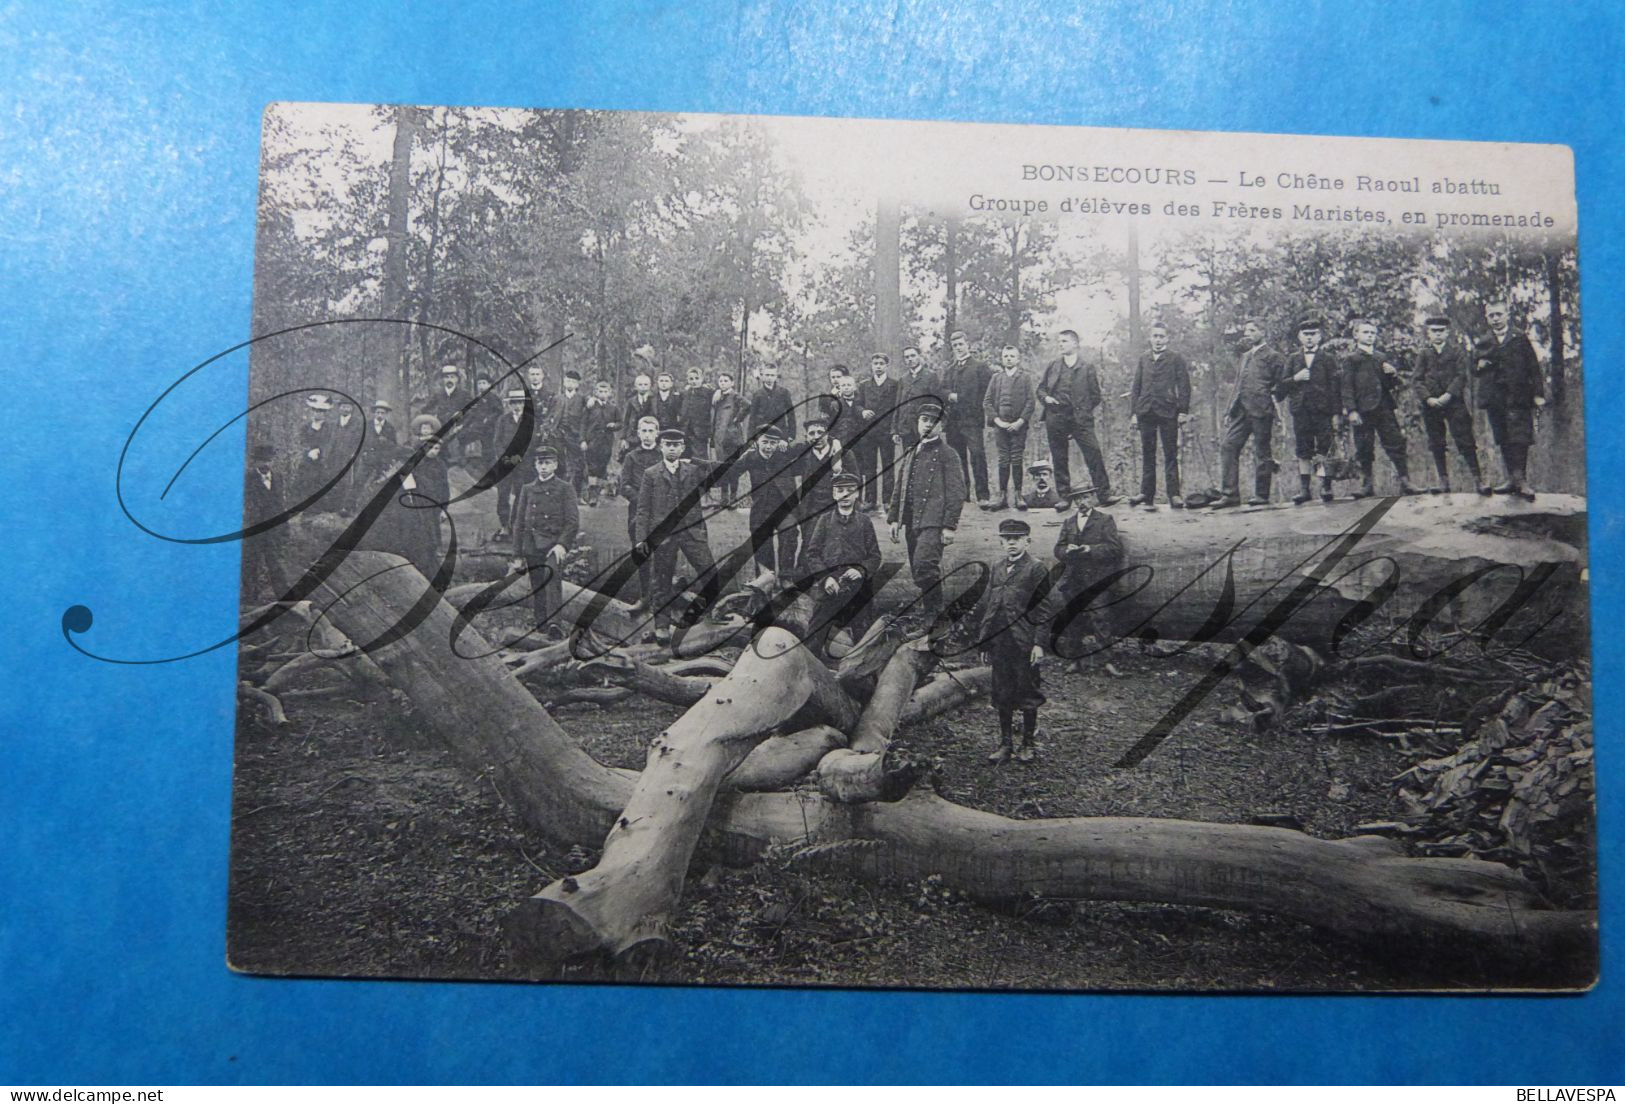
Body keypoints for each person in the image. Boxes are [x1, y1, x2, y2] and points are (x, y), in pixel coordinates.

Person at [970, 518, 1063, 764]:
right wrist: (984, 641)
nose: (1011, 543)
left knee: (1027, 691)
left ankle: (1028, 743)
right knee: (1002, 692)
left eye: (1017, 538)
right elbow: (989, 606)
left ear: (1027, 541)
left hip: (1024, 642)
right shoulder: (997, 567)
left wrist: (1039, 644)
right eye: (1007, 539)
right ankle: (1005, 744)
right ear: (1001, 542)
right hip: (1001, 641)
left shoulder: (1036, 568)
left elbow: (1044, 609)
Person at [635, 428, 720, 644]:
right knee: (661, 578)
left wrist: (697, 460)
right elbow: (643, 509)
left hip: (691, 531)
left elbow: (720, 472)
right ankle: (662, 625)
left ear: (682, 448)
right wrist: (641, 539)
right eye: (668, 444)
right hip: (663, 534)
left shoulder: (693, 471)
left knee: (709, 570)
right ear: (661, 446)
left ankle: (711, 616)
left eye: (676, 445)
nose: (672, 449)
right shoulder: (651, 474)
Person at [888, 403, 966, 620]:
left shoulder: (948, 454)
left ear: (941, 426)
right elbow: (899, 486)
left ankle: (935, 615)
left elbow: (957, 492)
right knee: (918, 571)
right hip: (911, 520)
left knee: (925, 566)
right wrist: (894, 519)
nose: (928, 426)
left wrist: (950, 525)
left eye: (934, 422)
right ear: (917, 423)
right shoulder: (911, 452)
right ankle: (930, 611)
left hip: (934, 521)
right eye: (924, 420)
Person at [799, 471, 882, 656]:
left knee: (864, 637)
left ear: (857, 494)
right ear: (834, 494)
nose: (845, 495)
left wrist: (861, 570)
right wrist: (825, 578)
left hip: (856, 586)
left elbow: (875, 556)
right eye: (840, 490)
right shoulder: (824, 520)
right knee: (814, 635)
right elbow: (812, 554)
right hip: (830, 585)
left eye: (850, 491)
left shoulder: (864, 522)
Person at [1037, 329, 1117, 510]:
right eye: (1059, 341)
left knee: (1094, 452)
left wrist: (1082, 411)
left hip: (1080, 420)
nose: (1061, 344)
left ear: (1075, 344)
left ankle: (1104, 494)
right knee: (1059, 457)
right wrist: (1046, 399)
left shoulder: (1087, 367)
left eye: (1064, 341)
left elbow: (1095, 396)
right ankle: (1064, 497)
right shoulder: (1053, 366)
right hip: (1056, 418)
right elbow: (1040, 389)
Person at [1211, 317, 1287, 509]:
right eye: (1247, 331)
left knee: (1262, 451)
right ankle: (1230, 494)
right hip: (1241, 411)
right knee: (1228, 446)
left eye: (1252, 330)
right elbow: (1238, 385)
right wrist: (1229, 410)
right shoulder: (1245, 356)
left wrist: (1271, 397)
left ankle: (1261, 495)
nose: (1248, 334)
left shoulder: (1274, 356)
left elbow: (1283, 384)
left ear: (1263, 332)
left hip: (1262, 410)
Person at [1475, 301, 1547, 500]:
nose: (1495, 319)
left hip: (1518, 395)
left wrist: (1538, 394)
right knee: (1503, 437)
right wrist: (1479, 365)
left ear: (1507, 315)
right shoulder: (1484, 341)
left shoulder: (1519, 338)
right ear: (1487, 318)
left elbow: (1533, 367)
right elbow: (1473, 367)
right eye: (1491, 316)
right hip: (1494, 397)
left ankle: (1521, 480)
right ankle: (1511, 479)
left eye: (1499, 314)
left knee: (1520, 437)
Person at [508, 445, 580, 640]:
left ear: (555, 465)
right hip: (532, 544)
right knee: (537, 585)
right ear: (535, 465)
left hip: (553, 545)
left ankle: (554, 624)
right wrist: (517, 554)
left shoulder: (565, 488)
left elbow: (572, 522)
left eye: (548, 463)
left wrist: (562, 545)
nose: (543, 467)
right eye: (540, 463)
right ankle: (541, 627)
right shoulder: (527, 489)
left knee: (552, 580)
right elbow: (519, 522)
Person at [1052, 485, 1125, 675]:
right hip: (1073, 580)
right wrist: (1066, 551)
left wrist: (1090, 550)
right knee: (1073, 620)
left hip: (1097, 580)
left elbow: (1115, 548)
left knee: (1100, 619)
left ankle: (1106, 662)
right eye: (1077, 499)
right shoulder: (1068, 522)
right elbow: (1057, 549)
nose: (1081, 503)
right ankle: (1075, 660)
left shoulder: (1105, 520)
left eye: (1084, 498)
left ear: (1092, 497)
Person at [1341, 319, 1419, 498]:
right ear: (1356, 335)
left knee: (1395, 443)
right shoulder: (1351, 360)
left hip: (1384, 408)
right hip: (1362, 411)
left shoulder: (1381, 357)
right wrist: (1352, 410)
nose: (1369, 336)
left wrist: (1393, 374)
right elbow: (1346, 388)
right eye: (1365, 332)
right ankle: (1367, 484)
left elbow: (1390, 385)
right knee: (1364, 447)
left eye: (1372, 333)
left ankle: (1406, 481)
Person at [1414, 315, 1487, 494]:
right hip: (1431, 406)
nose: (1437, 335)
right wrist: (1428, 398)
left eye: (1441, 331)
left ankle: (1478, 480)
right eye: (1433, 331)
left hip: (1454, 404)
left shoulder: (1456, 352)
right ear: (1428, 333)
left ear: (1447, 332)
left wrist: (1448, 395)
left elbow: (1462, 376)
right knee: (1436, 442)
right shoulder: (1424, 354)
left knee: (1465, 440)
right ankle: (1444, 481)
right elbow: (1417, 380)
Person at [1276, 315, 1342, 505]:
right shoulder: (1293, 359)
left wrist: (1337, 413)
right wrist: (1295, 378)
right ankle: (1304, 489)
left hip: (1323, 411)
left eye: (1313, 334)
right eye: (1306, 334)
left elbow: (1335, 387)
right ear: (1299, 337)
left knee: (1324, 448)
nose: (1310, 338)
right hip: (1301, 411)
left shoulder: (1328, 359)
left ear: (1320, 336)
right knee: (1303, 449)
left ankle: (1325, 486)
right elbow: (1281, 387)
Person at [1128, 322, 1191, 510]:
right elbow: (1136, 387)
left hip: (1168, 411)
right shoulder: (1143, 359)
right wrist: (1134, 414)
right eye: (1155, 336)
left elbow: (1184, 386)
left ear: (1167, 338)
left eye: (1161, 336)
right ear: (1150, 338)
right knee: (1148, 453)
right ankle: (1146, 494)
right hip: (1146, 411)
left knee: (1170, 453)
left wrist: (1182, 411)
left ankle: (1174, 494)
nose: (1157, 340)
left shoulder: (1175, 358)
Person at [737, 422, 799, 576]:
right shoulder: (750, 458)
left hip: (784, 507)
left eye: (773, 443)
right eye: (765, 442)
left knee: (790, 533)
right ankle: (766, 578)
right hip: (762, 508)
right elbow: (727, 470)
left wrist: (834, 443)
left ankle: (786, 575)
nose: (768, 447)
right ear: (756, 442)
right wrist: (694, 461)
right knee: (761, 539)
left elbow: (808, 445)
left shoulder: (784, 453)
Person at [942, 330, 992, 506]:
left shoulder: (980, 367)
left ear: (968, 345)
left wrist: (962, 399)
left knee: (977, 455)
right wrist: (949, 395)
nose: (958, 348)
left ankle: (983, 495)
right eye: (955, 346)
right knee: (956, 457)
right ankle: (962, 494)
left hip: (972, 420)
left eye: (961, 344)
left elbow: (987, 393)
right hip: (953, 422)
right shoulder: (949, 370)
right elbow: (942, 390)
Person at [982, 344, 1034, 511]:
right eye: (1006, 356)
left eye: (1012, 356)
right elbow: (987, 402)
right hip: (1001, 426)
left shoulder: (1025, 378)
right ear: (1002, 359)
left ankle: (1018, 495)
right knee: (1003, 459)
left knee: (1017, 459)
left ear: (1018, 359)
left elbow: (1030, 402)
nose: (1009, 359)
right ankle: (1002, 495)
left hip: (1019, 426)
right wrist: (998, 421)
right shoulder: (996, 378)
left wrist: (1020, 422)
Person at [791, 412, 844, 562]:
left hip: (834, 506)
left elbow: (856, 481)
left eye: (821, 432)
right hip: (810, 508)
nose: (817, 437)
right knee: (809, 543)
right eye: (812, 433)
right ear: (807, 436)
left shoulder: (842, 454)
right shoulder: (804, 454)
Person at [242, 443, 290, 598]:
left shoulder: (278, 477)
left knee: (275, 562)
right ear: (255, 462)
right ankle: (251, 596)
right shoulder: (247, 479)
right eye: (262, 460)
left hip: (273, 528)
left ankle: (283, 596)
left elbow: (280, 503)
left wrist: (285, 525)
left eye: (269, 460)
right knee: (251, 562)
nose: (266, 464)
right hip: (253, 528)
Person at [856, 353, 901, 511]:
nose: (878, 366)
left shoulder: (895, 384)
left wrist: (895, 429)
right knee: (869, 467)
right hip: (868, 433)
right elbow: (857, 404)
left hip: (886, 431)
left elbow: (898, 407)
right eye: (875, 363)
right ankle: (870, 500)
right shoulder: (864, 385)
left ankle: (888, 500)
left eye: (881, 363)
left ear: (887, 365)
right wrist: (862, 411)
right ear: (871, 365)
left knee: (888, 466)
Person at [489, 387, 533, 539]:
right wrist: (506, 457)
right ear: (509, 404)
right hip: (505, 464)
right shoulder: (503, 420)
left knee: (521, 494)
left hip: (523, 465)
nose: (517, 406)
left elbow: (531, 443)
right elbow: (497, 442)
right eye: (514, 402)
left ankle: (515, 523)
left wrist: (519, 457)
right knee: (503, 494)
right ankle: (504, 525)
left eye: (520, 402)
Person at [408, 414, 452, 552]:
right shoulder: (417, 462)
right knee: (419, 524)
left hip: (435, 499)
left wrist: (444, 508)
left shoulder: (440, 466)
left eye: (437, 449)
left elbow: (445, 487)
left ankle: (436, 548)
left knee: (434, 524)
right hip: (419, 498)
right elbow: (408, 478)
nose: (433, 452)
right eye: (430, 448)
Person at [709, 370, 750, 504]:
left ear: (732, 383)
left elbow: (747, 405)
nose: (723, 383)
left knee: (733, 468)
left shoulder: (735, 396)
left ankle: (733, 497)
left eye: (726, 381)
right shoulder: (717, 397)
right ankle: (724, 497)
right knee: (722, 467)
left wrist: (737, 419)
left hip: (732, 439)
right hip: (720, 439)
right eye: (721, 381)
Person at [893, 345, 942, 450]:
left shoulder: (930, 376)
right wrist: (895, 430)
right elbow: (898, 404)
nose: (910, 359)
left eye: (913, 355)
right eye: (907, 357)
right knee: (908, 459)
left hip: (924, 427)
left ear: (919, 356)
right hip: (906, 428)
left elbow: (935, 403)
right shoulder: (903, 379)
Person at [292, 393, 335, 508]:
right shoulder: (305, 427)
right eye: (315, 410)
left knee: (320, 481)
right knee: (304, 479)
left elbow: (330, 443)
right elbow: (300, 442)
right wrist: (308, 452)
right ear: (311, 411)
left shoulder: (329, 428)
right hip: (307, 460)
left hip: (322, 461)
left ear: (325, 413)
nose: (317, 413)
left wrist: (319, 451)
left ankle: (317, 507)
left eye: (320, 411)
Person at [581, 379, 620, 506]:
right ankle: (592, 494)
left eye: (605, 391)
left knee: (603, 467)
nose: (603, 393)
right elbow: (583, 424)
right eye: (600, 391)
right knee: (592, 467)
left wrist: (614, 425)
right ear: (596, 392)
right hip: (592, 442)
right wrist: (583, 440)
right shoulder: (590, 407)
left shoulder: (613, 408)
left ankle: (600, 492)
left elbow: (620, 423)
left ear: (610, 393)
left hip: (606, 443)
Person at [552, 369, 589, 500]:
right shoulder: (557, 398)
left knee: (577, 464)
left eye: (573, 381)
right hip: (558, 434)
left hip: (575, 435)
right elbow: (551, 415)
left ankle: (575, 494)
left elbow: (590, 405)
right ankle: (557, 493)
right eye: (568, 380)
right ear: (563, 382)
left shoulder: (582, 399)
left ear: (578, 384)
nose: (570, 383)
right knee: (559, 462)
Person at [424, 364, 469, 464]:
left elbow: (472, 412)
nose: (449, 380)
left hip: (458, 428)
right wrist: (433, 418)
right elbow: (426, 409)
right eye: (446, 377)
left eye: (452, 377)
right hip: (441, 427)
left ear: (457, 379)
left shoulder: (464, 394)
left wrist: (462, 420)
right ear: (442, 379)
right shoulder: (438, 394)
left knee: (458, 458)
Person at [327, 397, 365, 512]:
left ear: (352, 409)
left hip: (350, 457)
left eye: (348, 407)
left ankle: (347, 507)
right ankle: (335, 507)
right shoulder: (334, 424)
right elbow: (330, 441)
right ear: (339, 408)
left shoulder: (358, 424)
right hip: (335, 457)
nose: (345, 409)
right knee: (335, 480)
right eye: (343, 406)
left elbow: (360, 440)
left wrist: (355, 453)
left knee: (349, 481)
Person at [747, 363, 797, 440]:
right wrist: (750, 438)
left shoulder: (784, 393)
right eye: (767, 375)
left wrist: (791, 435)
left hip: (781, 434)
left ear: (776, 376)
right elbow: (752, 418)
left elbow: (791, 415)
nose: (769, 378)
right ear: (762, 376)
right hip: (762, 434)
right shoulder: (757, 394)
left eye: (772, 375)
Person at [679, 366, 714, 459]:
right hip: (685, 430)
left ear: (702, 379)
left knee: (700, 457)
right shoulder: (685, 393)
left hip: (700, 431)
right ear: (687, 380)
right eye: (691, 379)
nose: (694, 381)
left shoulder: (709, 392)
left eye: (696, 378)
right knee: (685, 456)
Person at [620, 373, 656, 458]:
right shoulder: (631, 401)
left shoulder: (654, 400)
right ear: (635, 386)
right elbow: (626, 420)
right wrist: (624, 438)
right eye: (640, 384)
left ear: (650, 386)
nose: (643, 386)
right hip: (633, 436)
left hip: (649, 435)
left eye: (645, 384)